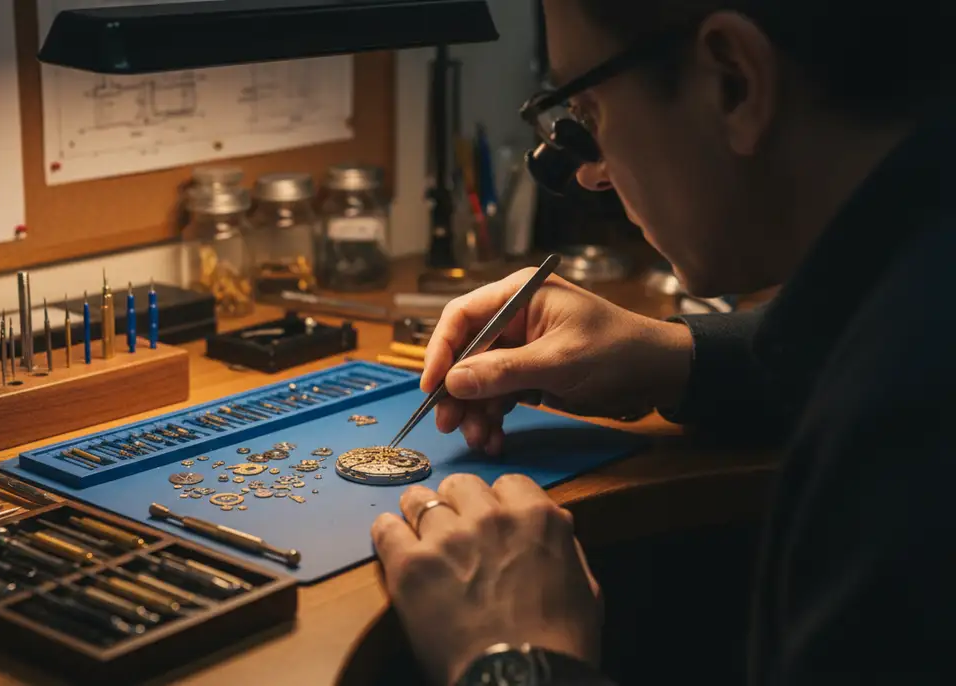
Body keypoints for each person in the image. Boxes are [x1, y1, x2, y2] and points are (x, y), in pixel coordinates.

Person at [370, 0, 956, 684]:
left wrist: (517, 657)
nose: (590, 172)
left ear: (732, 82)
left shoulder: (908, 428)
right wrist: (673, 358)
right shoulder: (913, 279)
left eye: (587, 113)